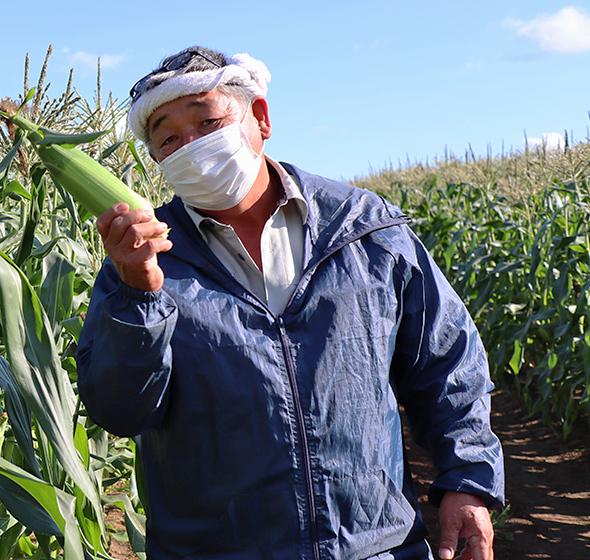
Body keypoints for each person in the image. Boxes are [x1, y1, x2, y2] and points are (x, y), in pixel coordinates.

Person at [75, 46, 505, 560]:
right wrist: (139, 293)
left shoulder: (365, 229)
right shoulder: (142, 265)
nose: (191, 144)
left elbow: (445, 365)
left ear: (260, 117)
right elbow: (120, 410)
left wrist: (469, 482)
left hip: (376, 547)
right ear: (157, 159)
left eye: (207, 121)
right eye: (168, 137)